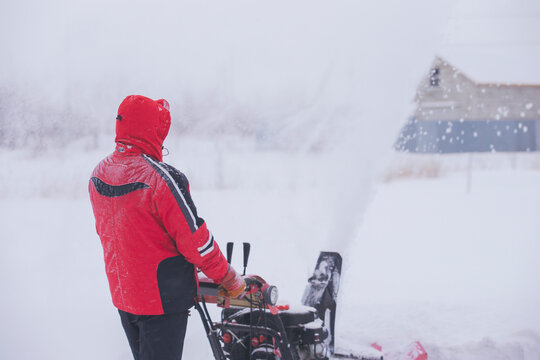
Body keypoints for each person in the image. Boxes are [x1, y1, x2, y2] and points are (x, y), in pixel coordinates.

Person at [89, 95, 245, 360]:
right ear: (152, 130)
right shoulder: (161, 178)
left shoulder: (100, 172)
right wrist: (228, 277)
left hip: (125, 296)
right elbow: (197, 242)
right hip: (161, 303)